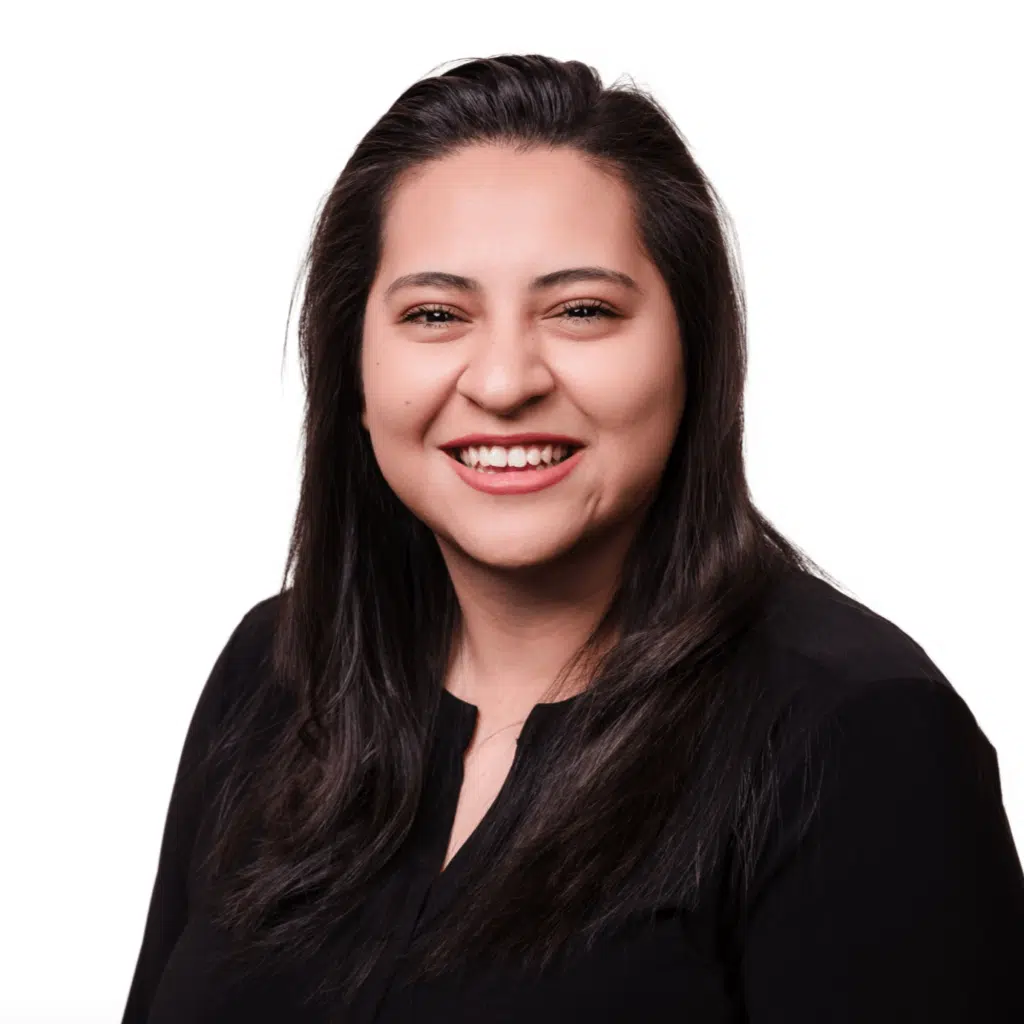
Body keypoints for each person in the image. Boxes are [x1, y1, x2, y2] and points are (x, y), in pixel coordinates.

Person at [121, 54, 1024, 1023]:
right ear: (352, 370)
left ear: (693, 352)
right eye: (434, 313)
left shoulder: (859, 740)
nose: (504, 380)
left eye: (581, 310)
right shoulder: (274, 671)